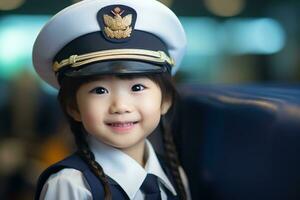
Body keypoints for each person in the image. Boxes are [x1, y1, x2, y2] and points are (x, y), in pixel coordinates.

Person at [32, 0, 189, 199]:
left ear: (165, 100)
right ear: (74, 107)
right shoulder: (71, 185)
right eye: (99, 90)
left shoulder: (175, 177)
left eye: (137, 87)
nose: (120, 106)